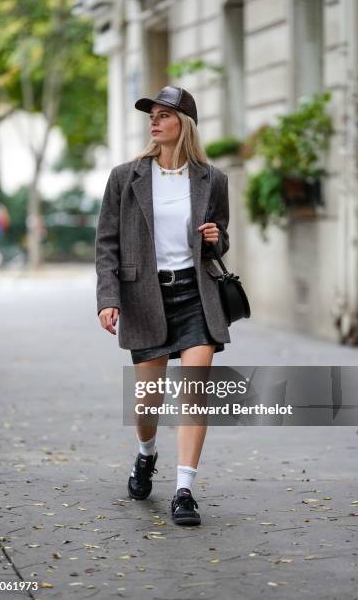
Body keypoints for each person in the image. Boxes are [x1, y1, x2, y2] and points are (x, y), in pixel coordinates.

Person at [95, 85, 231, 526]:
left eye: (163, 115)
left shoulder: (213, 179)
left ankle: (185, 490)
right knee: (147, 402)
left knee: (194, 393)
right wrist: (108, 298)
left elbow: (220, 240)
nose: (154, 121)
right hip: (145, 296)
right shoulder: (125, 176)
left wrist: (215, 239)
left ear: (183, 124)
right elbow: (107, 244)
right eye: (151, 115)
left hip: (196, 294)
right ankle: (146, 453)